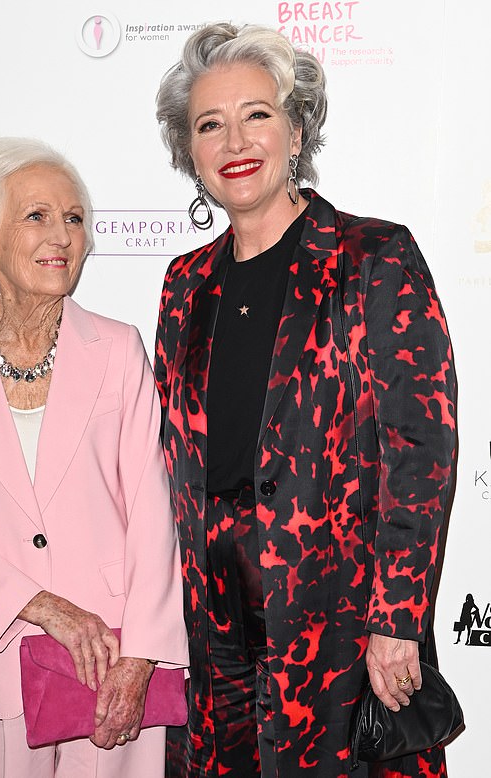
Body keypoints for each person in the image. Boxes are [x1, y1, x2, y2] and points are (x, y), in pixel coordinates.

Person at [154, 23, 456, 778]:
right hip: (211, 629)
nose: (234, 140)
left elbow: (421, 453)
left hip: (338, 622)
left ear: (297, 128)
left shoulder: (372, 258)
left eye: (256, 113)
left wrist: (398, 623)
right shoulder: (183, 285)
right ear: (188, 151)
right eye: (209, 124)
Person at [0, 137, 188, 778]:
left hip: (109, 664)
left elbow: (151, 512)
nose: (62, 235)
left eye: (74, 218)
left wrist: (142, 654)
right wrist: (44, 605)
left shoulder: (118, 350)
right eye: (37, 216)